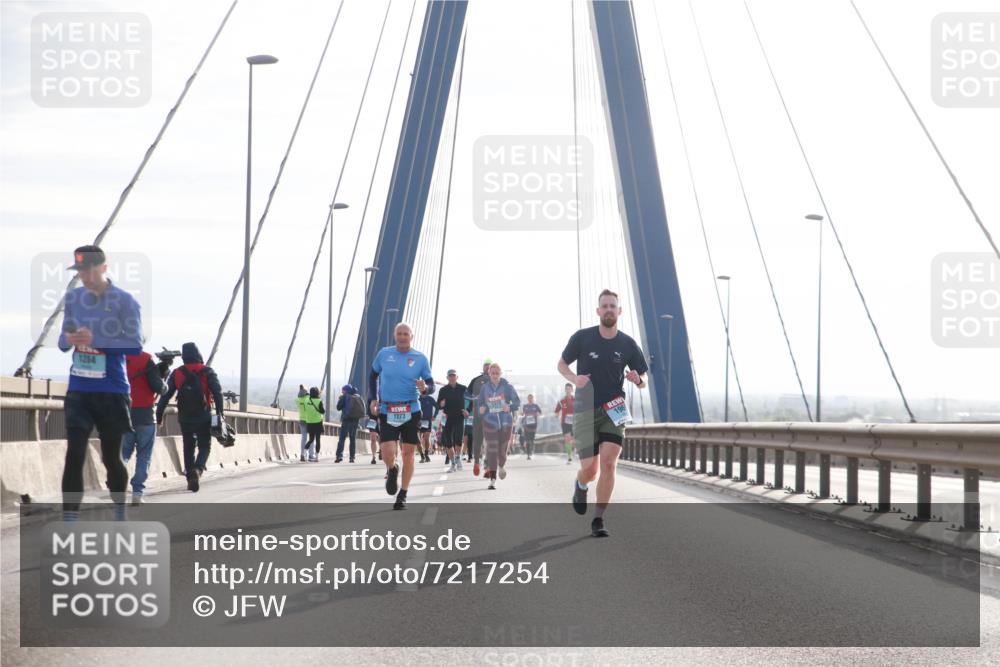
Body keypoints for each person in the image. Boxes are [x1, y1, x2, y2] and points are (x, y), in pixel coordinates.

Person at [58, 245, 143, 521]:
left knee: (110, 458)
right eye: (80, 271)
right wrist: (70, 340)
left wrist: (97, 341)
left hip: (112, 390)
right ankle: (69, 523)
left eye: (88, 270)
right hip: (79, 388)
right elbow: (61, 341)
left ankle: (120, 513)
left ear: (104, 268)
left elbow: (135, 345)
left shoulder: (126, 301)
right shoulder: (73, 298)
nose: (84, 276)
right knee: (75, 454)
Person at [559, 289, 648, 538]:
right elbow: (561, 364)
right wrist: (574, 378)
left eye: (613, 306)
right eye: (605, 306)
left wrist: (637, 379)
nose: (609, 309)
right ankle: (580, 483)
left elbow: (644, 378)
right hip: (585, 410)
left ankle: (598, 519)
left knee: (609, 464)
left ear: (619, 311)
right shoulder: (582, 338)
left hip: (615, 410)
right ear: (598, 311)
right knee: (591, 470)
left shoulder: (628, 344)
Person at [369, 322, 435, 510]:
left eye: (406, 334)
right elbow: (372, 376)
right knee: (388, 452)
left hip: (411, 410)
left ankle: (403, 494)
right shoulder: (384, 354)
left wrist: (425, 388)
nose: (402, 336)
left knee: (408, 454)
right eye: (399, 333)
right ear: (394, 335)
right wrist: (373, 398)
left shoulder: (420, 358)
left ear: (411, 337)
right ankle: (392, 468)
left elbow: (431, 385)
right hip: (387, 410)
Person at [155, 342, 225, 492]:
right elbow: (218, 393)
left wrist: (159, 414)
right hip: (204, 416)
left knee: (188, 446)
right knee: (205, 445)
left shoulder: (177, 372)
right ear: (198, 354)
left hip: (185, 417)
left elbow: (165, 395)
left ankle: (189, 476)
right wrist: (220, 414)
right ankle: (198, 470)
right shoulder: (208, 371)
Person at [121, 349, 167, 505]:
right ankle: (137, 493)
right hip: (145, 415)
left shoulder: (115, 356)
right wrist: (163, 377)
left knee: (123, 453)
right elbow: (159, 388)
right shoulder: (146, 358)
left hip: (123, 413)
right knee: (144, 455)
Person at [477, 362, 520, 490]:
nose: (495, 375)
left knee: (502, 450)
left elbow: (517, 401)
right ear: (489, 374)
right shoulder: (485, 388)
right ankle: (493, 479)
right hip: (489, 422)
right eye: (492, 373)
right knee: (491, 450)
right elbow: (480, 403)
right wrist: (481, 409)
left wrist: (510, 407)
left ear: (500, 374)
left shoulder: (507, 387)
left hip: (506, 422)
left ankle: (501, 465)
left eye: (497, 373)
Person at [437, 369, 468, 473]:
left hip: (460, 417)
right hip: (448, 418)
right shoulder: (443, 390)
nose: (452, 377)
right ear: (447, 378)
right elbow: (438, 404)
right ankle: (453, 463)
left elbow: (471, 401)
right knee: (448, 442)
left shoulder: (463, 388)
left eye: (453, 376)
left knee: (459, 440)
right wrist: (441, 404)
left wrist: (467, 411)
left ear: (457, 377)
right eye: (450, 376)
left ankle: (458, 459)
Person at [465, 359, 491, 475]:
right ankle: (477, 461)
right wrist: (473, 399)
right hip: (478, 415)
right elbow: (466, 394)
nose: (487, 368)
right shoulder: (475, 381)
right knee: (478, 440)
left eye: (490, 366)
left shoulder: (496, 380)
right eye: (486, 365)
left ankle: (488, 465)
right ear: (483, 367)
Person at [335, 384, 365, 462]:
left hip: (346, 420)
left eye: (343, 390)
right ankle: (352, 457)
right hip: (355, 421)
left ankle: (339, 456)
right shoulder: (358, 397)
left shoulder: (344, 397)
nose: (342, 391)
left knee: (342, 439)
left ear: (346, 390)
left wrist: (341, 399)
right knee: (352, 439)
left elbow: (338, 407)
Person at [298, 387, 324, 462]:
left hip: (309, 422)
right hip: (318, 422)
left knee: (311, 439)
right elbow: (322, 411)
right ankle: (316, 457)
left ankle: (303, 453)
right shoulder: (319, 401)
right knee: (318, 440)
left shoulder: (306, 400)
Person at [555, 383, 575, 464]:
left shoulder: (577, 400)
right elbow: (556, 411)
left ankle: (572, 450)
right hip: (565, 422)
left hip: (575, 422)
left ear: (572, 390)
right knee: (567, 439)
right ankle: (569, 456)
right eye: (566, 389)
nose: (568, 390)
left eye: (569, 388)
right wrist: (557, 416)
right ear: (565, 390)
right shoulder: (561, 401)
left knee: (573, 440)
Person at [418, 387, 438, 463]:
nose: (423, 391)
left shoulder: (430, 398)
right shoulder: (417, 398)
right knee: (418, 440)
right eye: (421, 389)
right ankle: (422, 455)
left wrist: (435, 416)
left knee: (427, 439)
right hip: (418, 421)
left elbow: (437, 406)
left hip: (427, 420)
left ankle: (426, 454)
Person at [521, 393, 542, 460]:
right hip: (526, 425)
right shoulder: (525, 406)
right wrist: (521, 413)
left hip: (533, 425)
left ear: (533, 399)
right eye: (529, 398)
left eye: (531, 398)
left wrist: (538, 413)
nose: (530, 399)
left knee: (532, 439)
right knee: (527, 440)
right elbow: (523, 413)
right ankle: (528, 454)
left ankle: (531, 451)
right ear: (527, 399)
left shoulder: (535, 406)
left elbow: (540, 412)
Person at [296, 384, 309, 458]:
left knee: (303, 438)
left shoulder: (297, 400)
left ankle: (302, 453)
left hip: (301, 420)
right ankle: (308, 454)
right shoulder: (308, 398)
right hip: (309, 420)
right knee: (311, 439)